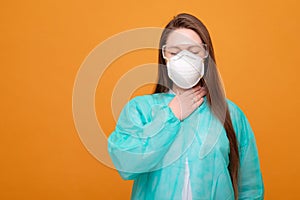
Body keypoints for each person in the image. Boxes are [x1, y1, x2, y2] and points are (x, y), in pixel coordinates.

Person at [107, 13, 264, 200]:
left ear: (206, 55)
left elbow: (250, 189)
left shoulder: (230, 114)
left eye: (194, 51)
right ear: (164, 55)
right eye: (175, 52)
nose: (185, 58)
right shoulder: (141, 110)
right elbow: (126, 164)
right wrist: (171, 115)